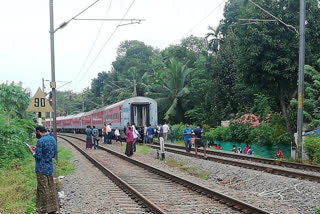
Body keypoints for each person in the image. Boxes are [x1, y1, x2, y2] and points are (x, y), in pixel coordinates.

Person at [28, 125, 59, 214]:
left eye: (36, 132)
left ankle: (43, 210)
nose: (36, 134)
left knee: (43, 188)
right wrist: (37, 149)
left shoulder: (40, 141)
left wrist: (32, 152)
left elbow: (38, 156)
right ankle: (54, 208)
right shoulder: (52, 139)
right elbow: (53, 154)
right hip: (49, 167)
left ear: (38, 131)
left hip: (41, 168)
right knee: (50, 187)